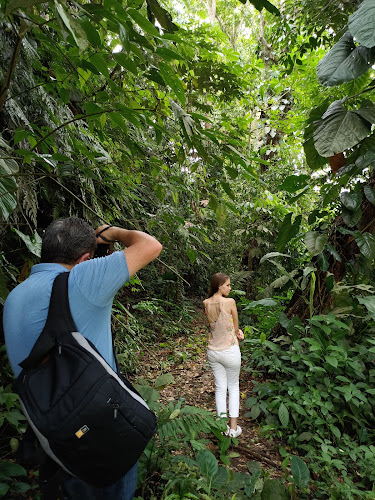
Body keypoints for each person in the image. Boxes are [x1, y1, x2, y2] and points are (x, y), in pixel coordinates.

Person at [3, 217, 162, 500]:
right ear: (86, 258)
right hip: (101, 434)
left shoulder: (13, 297)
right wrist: (110, 232)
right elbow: (150, 245)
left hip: (54, 439)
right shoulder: (82, 280)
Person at [203, 273, 244, 438]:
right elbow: (235, 330)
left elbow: (214, 327)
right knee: (233, 387)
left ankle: (222, 427)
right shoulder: (230, 302)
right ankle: (233, 430)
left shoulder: (206, 303)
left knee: (220, 388)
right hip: (230, 350)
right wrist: (239, 333)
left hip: (213, 352)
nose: (230, 288)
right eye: (227, 285)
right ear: (219, 286)